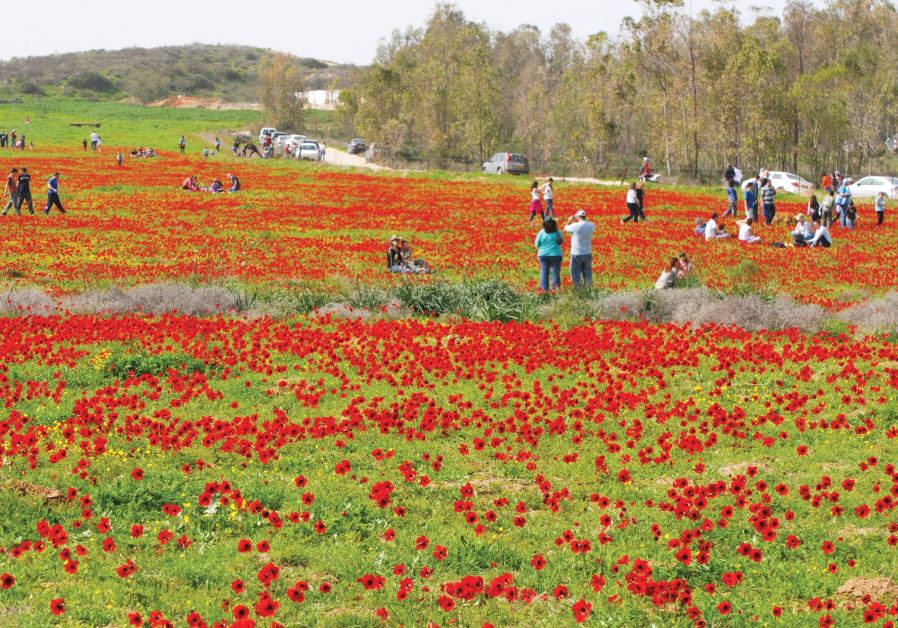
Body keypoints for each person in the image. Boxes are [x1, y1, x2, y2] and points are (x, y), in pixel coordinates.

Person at [564, 209, 595, 288]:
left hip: (576, 253)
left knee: (575, 273)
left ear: (578, 216)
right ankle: (589, 290)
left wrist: (570, 220)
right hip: (587, 253)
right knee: (587, 273)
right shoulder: (591, 225)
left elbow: (565, 228)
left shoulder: (575, 226)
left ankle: (577, 291)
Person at [534, 218, 563, 292]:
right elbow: (561, 241)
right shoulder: (557, 232)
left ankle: (544, 291)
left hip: (543, 255)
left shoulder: (541, 232)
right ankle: (556, 291)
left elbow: (537, 244)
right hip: (556, 255)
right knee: (555, 273)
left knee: (544, 272)